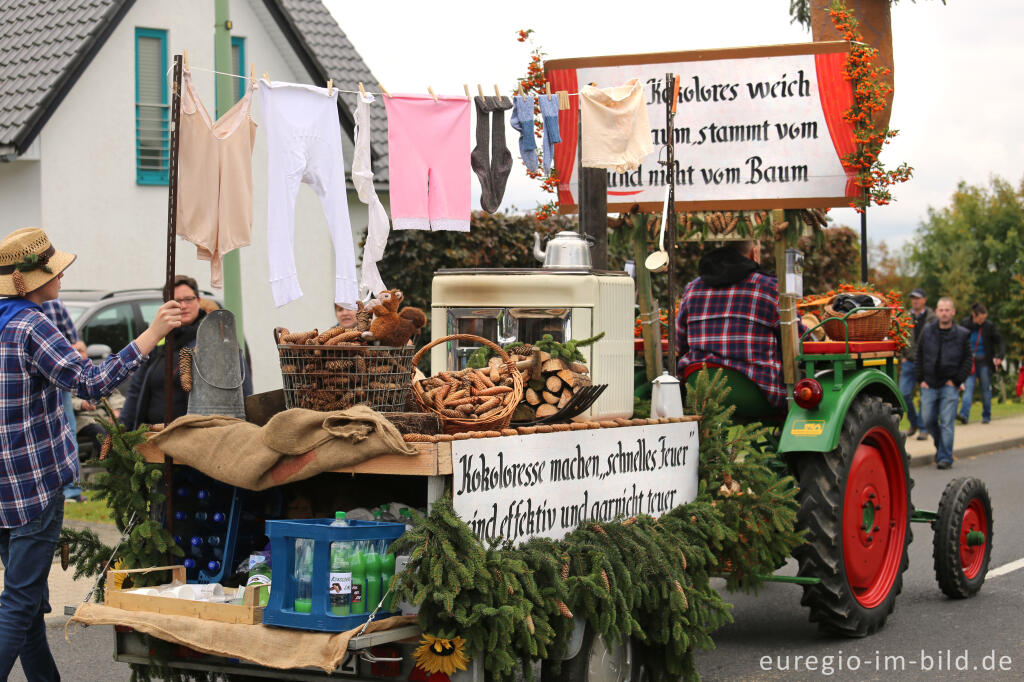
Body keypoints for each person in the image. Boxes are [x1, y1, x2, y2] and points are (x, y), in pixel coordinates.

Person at [0, 227, 182, 679]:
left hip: (3, 489)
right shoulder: (31, 325)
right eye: (52, 270)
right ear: (26, 280)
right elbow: (92, 382)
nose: (61, 275)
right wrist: (151, 334)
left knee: (24, 604)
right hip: (35, 486)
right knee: (19, 602)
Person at [120, 274, 253, 430]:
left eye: (188, 299)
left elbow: (241, 387)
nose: (183, 306)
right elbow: (135, 392)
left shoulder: (217, 338)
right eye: (176, 302)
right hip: (153, 437)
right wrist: (122, 430)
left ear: (198, 301)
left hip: (195, 438)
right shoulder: (158, 342)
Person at [675, 240, 789, 408]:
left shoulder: (693, 288)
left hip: (699, 387)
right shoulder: (770, 288)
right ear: (753, 253)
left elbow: (679, 341)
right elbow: (795, 338)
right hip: (755, 392)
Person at [915, 297, 972, 469]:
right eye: (941, 310)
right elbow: (919, 355)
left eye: (947, 310)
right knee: (928, 419)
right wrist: (921, 379)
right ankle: (941, 447)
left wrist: (956, 380)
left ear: (953, 312)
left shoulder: (962, 334)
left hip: (949, 385)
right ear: (937, 312)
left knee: (947, 422)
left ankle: (945, 457)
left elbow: (968, 359)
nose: (944, 313)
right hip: (929, 384)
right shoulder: (928, 331)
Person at [957, 302, 1005, 425]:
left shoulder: (989, 326)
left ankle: (986, 415)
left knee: (985, 389)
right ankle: (964, 415)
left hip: (984, 363)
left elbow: (1000, 341)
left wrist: (999, 356)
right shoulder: (965, 324)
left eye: (984, 319)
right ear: (974, 315)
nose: (982, 321)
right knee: (968, 389)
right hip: (969, 363)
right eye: (980, 318)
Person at [900, 288, 936, 440]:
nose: (915, 300)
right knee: (903, 394)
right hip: (908, 362)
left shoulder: (933, 318)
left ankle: (923, 429)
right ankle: (913, 423)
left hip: (925, 362)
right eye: (913, 298)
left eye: (918, 298)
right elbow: (899, 335)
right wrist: (901, 354)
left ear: (924, 300)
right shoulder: (906, 316)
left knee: (924, 396)